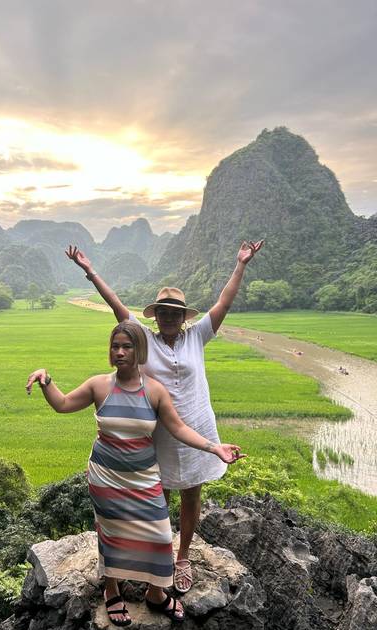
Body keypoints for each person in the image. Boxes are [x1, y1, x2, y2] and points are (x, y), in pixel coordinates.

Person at [66, 239, 263, 593]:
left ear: (183, 317)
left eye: (176, 312)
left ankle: (183, 556)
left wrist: (241, 265)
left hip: (197, 425)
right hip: (158, 430)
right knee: (158, 497)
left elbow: (224, 302)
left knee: (191, 493)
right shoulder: (145, 341)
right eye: (164, 312)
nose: (170, 317)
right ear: (155, 316)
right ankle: (156, 555)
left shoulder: (198, 336)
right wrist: (90, 271)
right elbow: (118, 309)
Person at [26, 321, 244, 627]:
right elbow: (62, 404)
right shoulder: (99, 385)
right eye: (115, 346)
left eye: (127, 346)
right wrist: (46, 380)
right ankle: (111, 589)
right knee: (111, 533)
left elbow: (179, 428)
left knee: (159, 534)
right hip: (106, 476)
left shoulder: (154, 391)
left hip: (143, 476)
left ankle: (156, 593)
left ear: (139, 350)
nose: (120, 352)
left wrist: (214, 447)